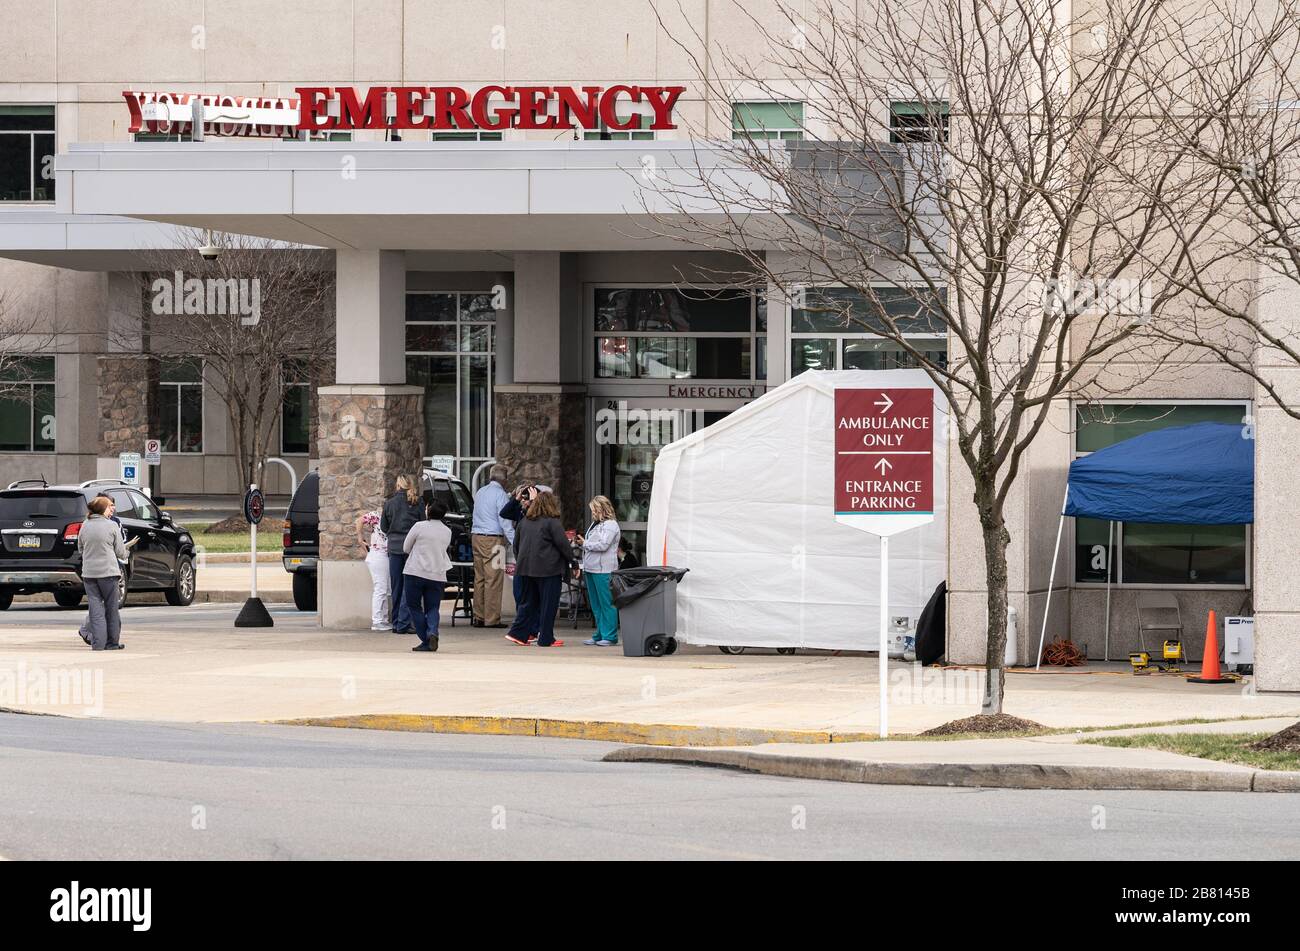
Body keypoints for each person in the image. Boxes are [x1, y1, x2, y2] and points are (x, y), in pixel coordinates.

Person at [504, 489, 573, 648]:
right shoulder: (552, 522)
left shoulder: (524, 522)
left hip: (526, 568)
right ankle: (546, 638)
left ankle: (518, 633)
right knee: (548, 605)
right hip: (548, 570)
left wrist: (522, 560)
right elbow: (563, 545)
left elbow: (516, 546)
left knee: (529, 603)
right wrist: (573, 562)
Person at [76, 495, 128, 651]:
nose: (110, 510)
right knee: (111, 609)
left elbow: (80, 548)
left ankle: (98, 644)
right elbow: (120, 552)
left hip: (89, 574)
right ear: (103, 509)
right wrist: (127, 553)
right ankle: (112, 643)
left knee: (95, 609)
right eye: (108, 507)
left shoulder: (85, 525)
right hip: (109, 573)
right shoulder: (111, 526)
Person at [402, 499, 453, 652]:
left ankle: (425, 638)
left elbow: (406, 547)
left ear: (428, 510)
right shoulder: (447, 531)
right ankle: (432, 632)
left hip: (415, 571)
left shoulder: (419, 526)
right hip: (437, 574)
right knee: (433, 607)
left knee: (414, 606)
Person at [470, 464, 514, 629]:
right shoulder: (500, 495)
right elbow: (505, 522)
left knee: (479, 578)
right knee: (494, 579)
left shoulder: (481, 492)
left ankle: (479, 616)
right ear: (504, 479)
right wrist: (516, 542)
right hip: (493, 540)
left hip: (477, 537)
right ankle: (492, 618)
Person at [380, 474, 424, 634]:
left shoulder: (389, 503)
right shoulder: (417, 502)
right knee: (410, 585)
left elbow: (384, 527)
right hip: (412, 548)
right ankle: (405, 622)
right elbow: (422, 523)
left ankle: (397, 621)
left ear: (397, 485)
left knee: (396, 586)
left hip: (394, 548)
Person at [577, 495, 621, 646]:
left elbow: (603, 545)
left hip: (604, 569)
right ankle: (600, 633)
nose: (592, 513)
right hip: (591, 568)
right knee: (596, 604)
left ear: (601, 509)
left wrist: (585, 543)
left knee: (606, 603)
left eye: (594, 509)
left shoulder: (611, 525)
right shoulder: (596, 524)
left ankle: (610, 635)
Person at [356, 508, 391, 632]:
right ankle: (377, 621)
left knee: (386, 589)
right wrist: (360, 539)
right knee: (380, 588)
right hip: (378, 554)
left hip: (385, 555)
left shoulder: (390, 516)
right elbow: (360, 520)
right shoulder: (378, 515)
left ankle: (384, 619)